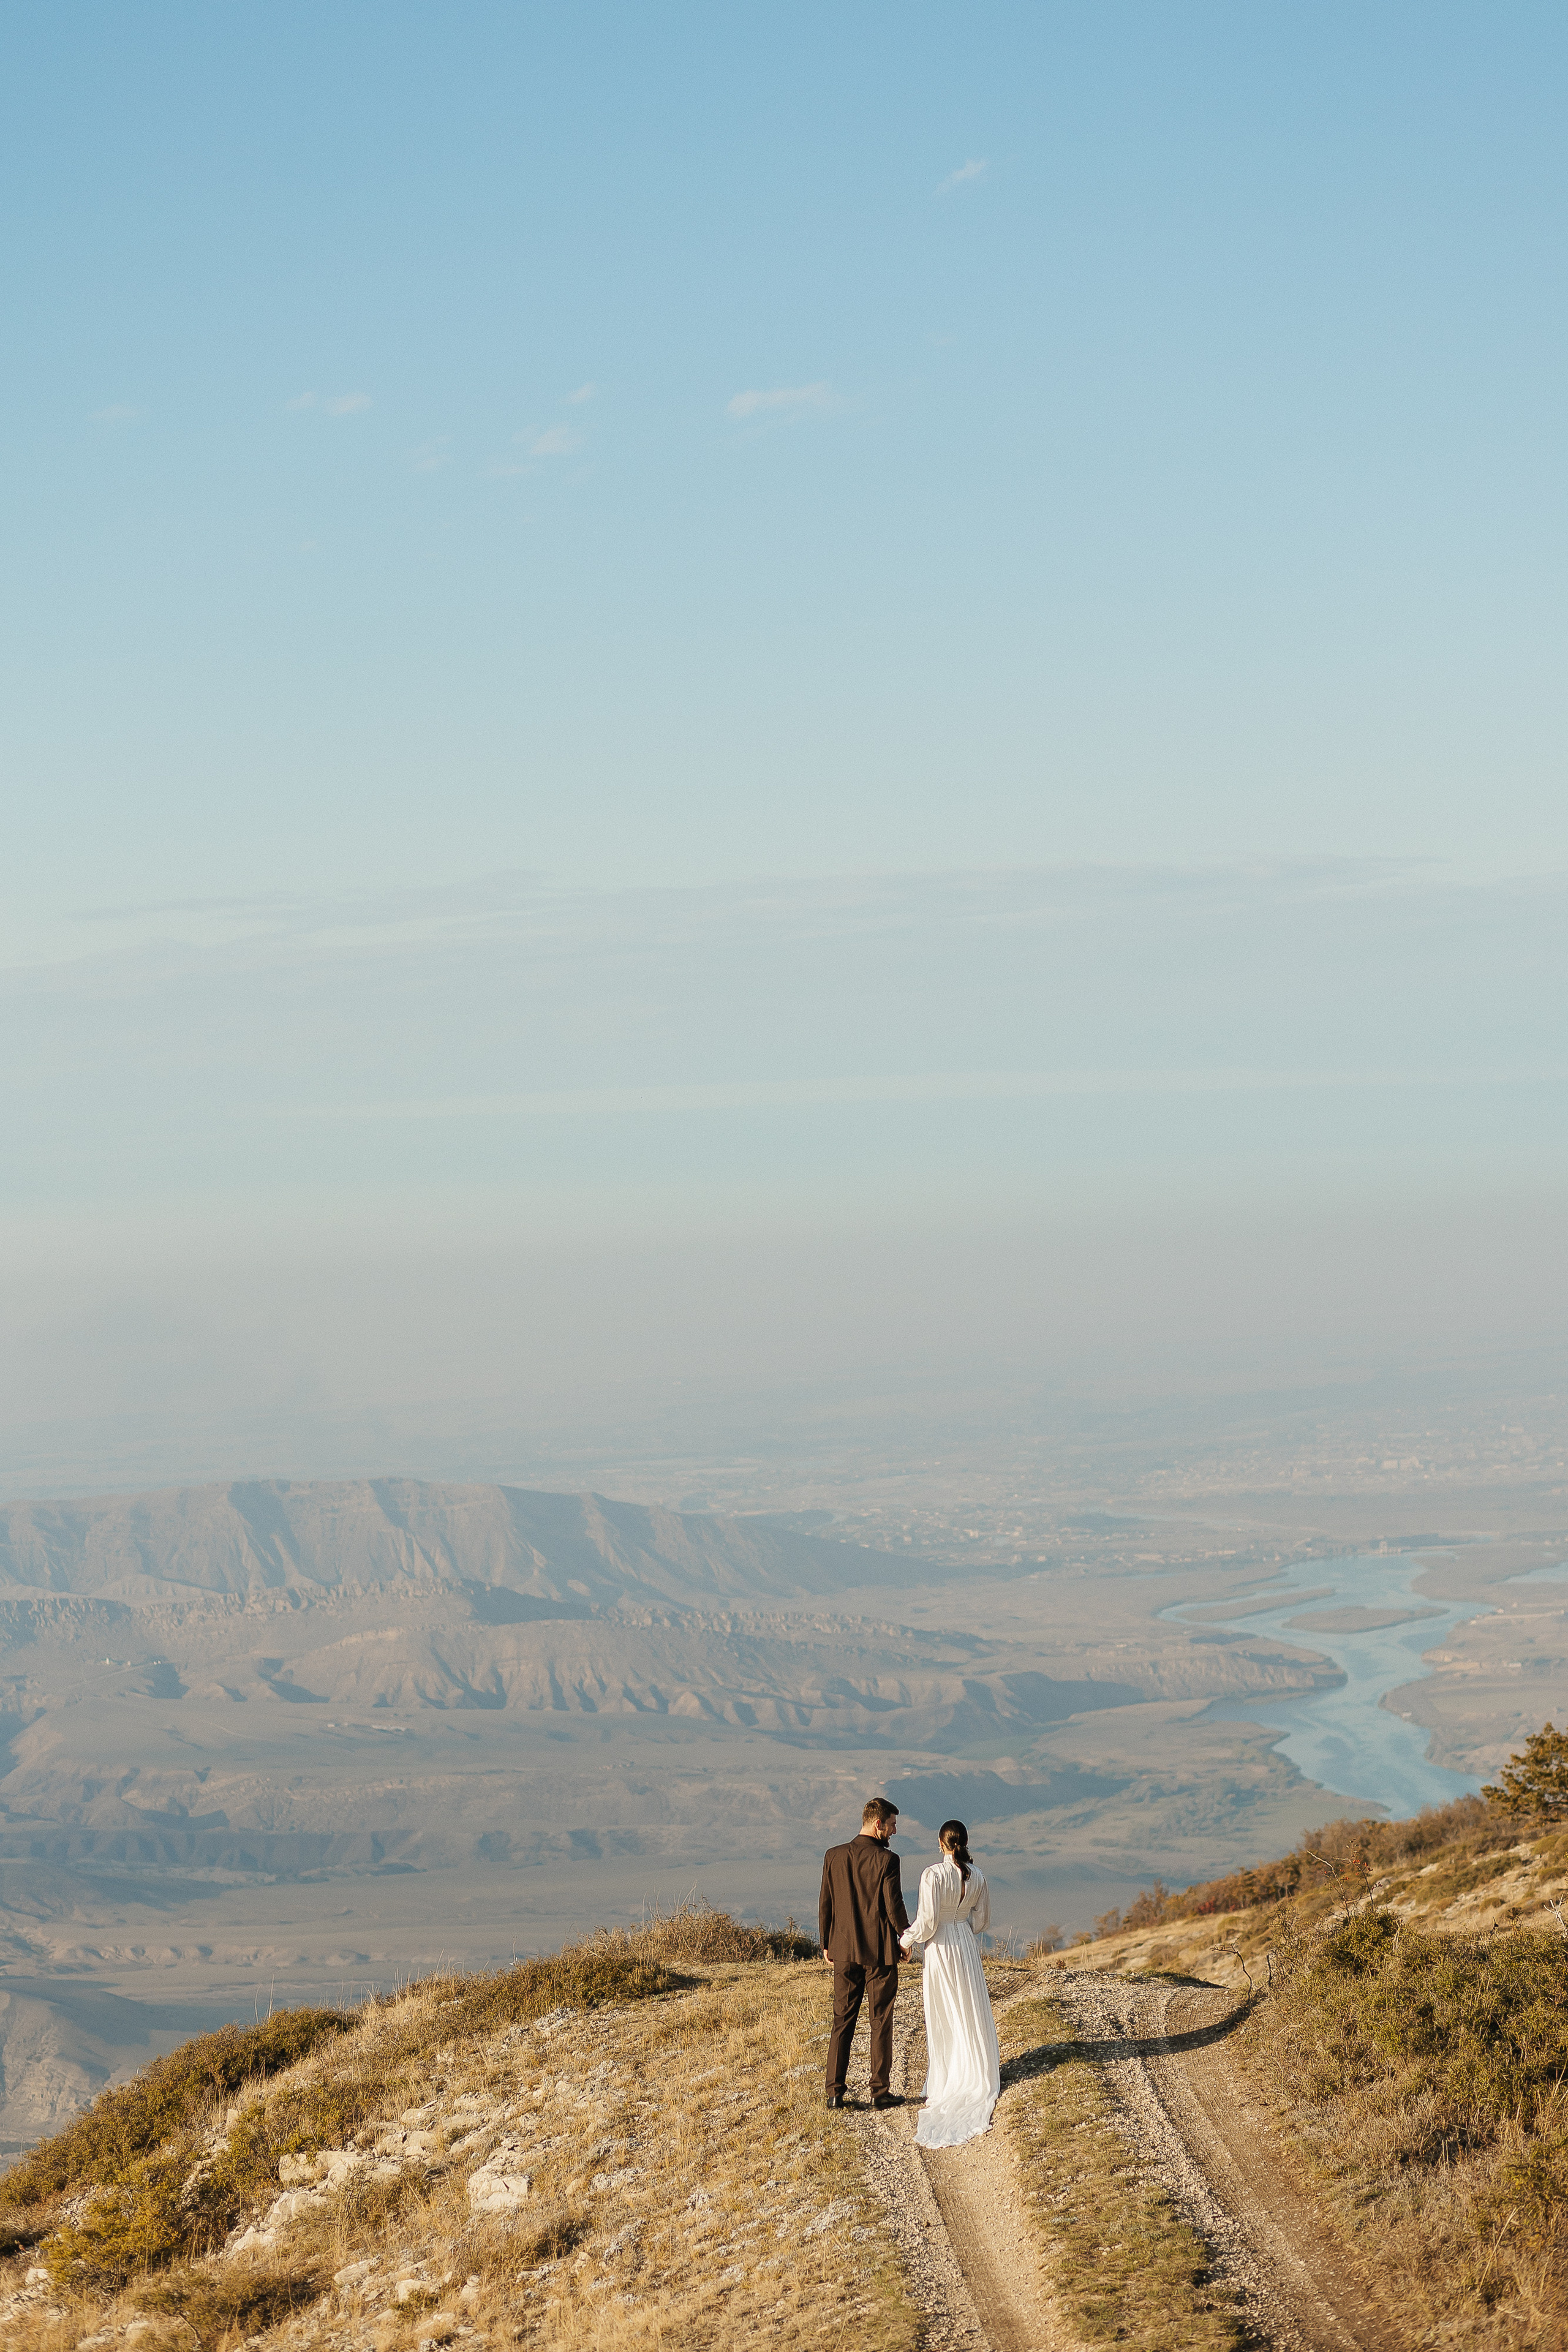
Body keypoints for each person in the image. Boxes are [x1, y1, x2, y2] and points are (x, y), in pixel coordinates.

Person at [899, 1817, 1000, 2147]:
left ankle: (946, 2081)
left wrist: (906, 1939)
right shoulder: (979, 1876)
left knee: (943, 2011)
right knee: (968, 2007)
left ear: (941, 1844)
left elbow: (927, 1923)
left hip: (941, 1947)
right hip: (965, 1944)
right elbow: (982, 1921)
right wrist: (962, 1922)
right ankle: (974, 2070)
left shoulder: (932, 1874)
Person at [818, 1796, 909, 2111]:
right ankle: (879, 2092)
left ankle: (834, 2093)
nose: (895, 1832)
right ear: (878, 1824)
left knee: (842, 2019)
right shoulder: (888, 1861)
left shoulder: (833, 1855)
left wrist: (826, 1942)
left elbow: (826, 1902)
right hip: (880, 1952)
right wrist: (906, 1937)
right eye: (893, 1825)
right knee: (880, 2020)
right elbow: (893, 1906)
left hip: (843, 1949)